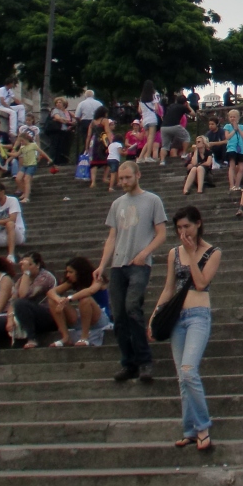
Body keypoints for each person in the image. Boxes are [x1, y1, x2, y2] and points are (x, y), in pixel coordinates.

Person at [150, 205, 221, 452]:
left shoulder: (212, 252)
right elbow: (169, 287)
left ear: (198, 224)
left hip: (198, 315)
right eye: (179, 228)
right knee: (182, 377)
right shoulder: (173, 253)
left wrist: (192, 253)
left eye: (187, 226)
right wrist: (155, 315)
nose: (183, 232)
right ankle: (190, 430)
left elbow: (201, 283)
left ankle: (203, 427)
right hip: (175, 318)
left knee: (189, 370)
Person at [95, 160, 168, 383]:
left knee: (132, 308)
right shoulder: (117, 204)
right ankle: (129, 362)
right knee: (118, 315)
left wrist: (145, 253)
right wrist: (101, 265)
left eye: (128, 177)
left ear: (138, 175)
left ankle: (144, 361)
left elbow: (161, 233)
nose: (124, 182)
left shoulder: (152, 200)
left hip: (139, 264)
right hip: (118, 265)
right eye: (121, 178)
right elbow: (112, 238)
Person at [0, 251, 56, 365]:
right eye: (23, 265)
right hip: (23, 315)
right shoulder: (21, 280)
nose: (25, 267)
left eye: (29, 264)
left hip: (46, 315)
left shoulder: (45, 277)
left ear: (38, 265)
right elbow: (13, 300)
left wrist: (26, 273)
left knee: (21, 304)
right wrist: (10, 318)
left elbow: (23, 296)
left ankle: (32, 338)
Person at [45, 256, 111, 347]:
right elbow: (51, 292)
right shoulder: (73, 281)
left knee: (86, 299)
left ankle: (84, 337)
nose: (68, 275)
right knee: (52, 300)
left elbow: (90, 291)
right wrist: (59, 300)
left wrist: (69, 298)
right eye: (67, 272)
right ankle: (65, 337)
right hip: (82, 316)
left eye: (71, 272)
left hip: (99, 317)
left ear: (80, 272)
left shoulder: (98, 278)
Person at [6, 128, 48, 202]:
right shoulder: (22, 147)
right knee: (18, 178)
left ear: (26, 139)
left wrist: (49, 159)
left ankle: (26, 197)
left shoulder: (33, 145)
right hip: (25, 165)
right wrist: (7, 154)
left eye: (22, 140)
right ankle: (25, 192)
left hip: (32, 165)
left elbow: (41, 152)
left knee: (26, 179)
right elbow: (16, 154)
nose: (21, 142)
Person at [160, 94, 193, 165]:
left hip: (164, 127)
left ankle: (162, 161)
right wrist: (188, 106)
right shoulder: (182, 107)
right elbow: (193, 114)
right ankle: (184, 153)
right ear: (185, 102)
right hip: (175, 126)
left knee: (165, 146)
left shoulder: (171, 106)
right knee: (186, 137)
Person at [222, 109, 243, 192]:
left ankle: (237, 185)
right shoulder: (227, 126)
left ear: (238, 118)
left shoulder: (241, 127)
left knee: (241, 167)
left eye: (234, 117)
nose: (232, 118)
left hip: (240, 149)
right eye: (231, 117)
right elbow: (227, 137)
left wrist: (238, 128)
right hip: (231, 148)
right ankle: (232, 185)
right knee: (232, 166)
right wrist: (234, 129)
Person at [136, 81, 161, 162]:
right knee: (151, 138)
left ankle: (140, 157)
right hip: (152, 118)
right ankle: (148, 156)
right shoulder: (153, 96)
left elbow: (139, 110)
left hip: (144, 119)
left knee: (148, 140)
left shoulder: (141, 98)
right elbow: (157, 108)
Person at [74, 90, 103, 157]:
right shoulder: (99, 103)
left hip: (85, 122)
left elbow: (77, 116)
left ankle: (85, 153)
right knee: (96, 138)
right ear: (93, 95)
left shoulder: (81, 103)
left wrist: (80, 120)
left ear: (85, 96)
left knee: (86, 138)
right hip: (97, 122)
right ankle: (95, 154)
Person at [47, 96, 75, 165]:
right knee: (54, 146)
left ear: (64, 104)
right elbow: (58, 118)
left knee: (61, 146)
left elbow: (74, 117)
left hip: (64, 131)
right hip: (56, 130)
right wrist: (66, 121)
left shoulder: (66, 112)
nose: (58, 104)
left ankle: (60, 161)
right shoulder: (55, 110)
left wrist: (67, 121)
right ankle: (52, 160)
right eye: (57, 102)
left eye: (60, 102)